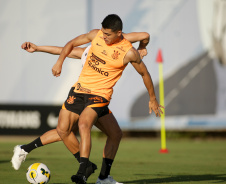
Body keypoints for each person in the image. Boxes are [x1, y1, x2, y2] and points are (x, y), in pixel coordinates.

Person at [11, 31, 151, 184]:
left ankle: (101, 176)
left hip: (99, 98)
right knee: (66, 130)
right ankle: (85, 168)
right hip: (84, 96)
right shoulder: (89, 51)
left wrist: (140, 49)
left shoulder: (118, 43)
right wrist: (38, 48)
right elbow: (63, 49)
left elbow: (144, 36)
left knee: (113, 133)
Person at [51, 14, 164, 184]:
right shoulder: (96, 35)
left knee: (83, 124)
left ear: (119, 33)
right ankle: (104, 178)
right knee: (115, 134)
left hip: (100, 96)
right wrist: (60, 61)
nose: (104, 37)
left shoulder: (129, 52)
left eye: (108, 34)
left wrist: (153, 98)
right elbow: (72, 43)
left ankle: (82, 171)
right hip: (80, 91)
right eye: (103, 33)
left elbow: (144, 74)